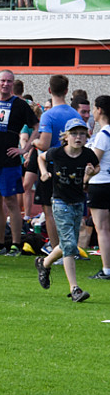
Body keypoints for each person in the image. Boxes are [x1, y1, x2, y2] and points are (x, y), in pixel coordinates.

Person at [35, 118, 98, 302]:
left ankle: (44, 263)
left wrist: (90, 173)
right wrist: (44, 172)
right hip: (60, 202)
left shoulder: (88, 154)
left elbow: (96, 166)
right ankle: (75, 288)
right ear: (66, 136)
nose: (78, 137)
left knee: (67, 244)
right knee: (70, 245)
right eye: (74, 134)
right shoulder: (57, 153)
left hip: (78, 202)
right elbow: (40, 156)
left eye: (82, 134)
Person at [0, 70, 39, 257]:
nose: (6, 84)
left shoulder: (20, 105)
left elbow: (36, 126)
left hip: (9, 161)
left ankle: (16, 244)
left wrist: (24, 149)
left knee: (11, 201)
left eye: (9, 81)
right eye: (3, 80)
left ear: (13, 83)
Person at [30, 74, 81, 252]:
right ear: (66, 91)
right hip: (73, 163)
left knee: (50, 209)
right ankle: (71, 248)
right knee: (71, 207)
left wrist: (34, 142)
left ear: (50, 90)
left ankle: (56, 248)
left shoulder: (48, 115)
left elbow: (44, 144)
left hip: (52, 165)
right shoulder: (75, 114)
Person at [87, 95, 110, 280]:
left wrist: (84, 179)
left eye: (94, 108)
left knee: (101, 227)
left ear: (100, 110)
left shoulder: (103, 134)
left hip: (100, 183)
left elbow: (93, 161)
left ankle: (106, 269)